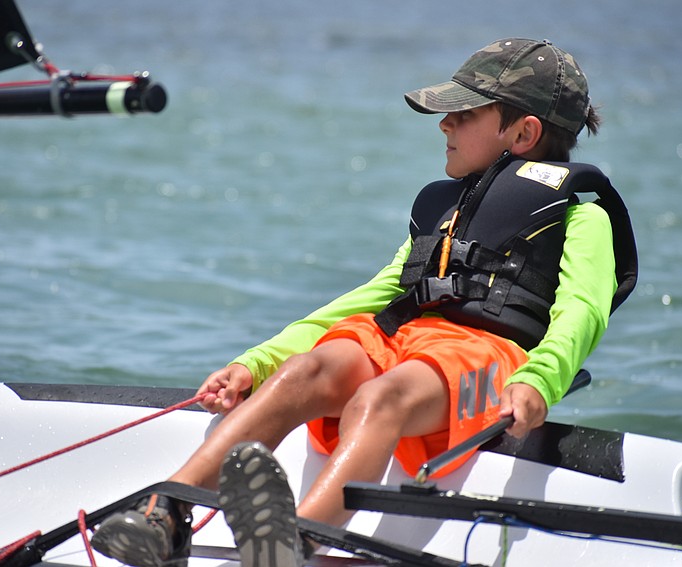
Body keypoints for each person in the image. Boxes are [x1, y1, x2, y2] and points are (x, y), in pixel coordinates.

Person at [90, 37, 636, 567]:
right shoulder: (445, 212)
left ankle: (295, 546)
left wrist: (540, 381)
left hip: (486, 358)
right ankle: (167, 513)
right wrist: (257, 363)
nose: (444, 124)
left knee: (379, 398)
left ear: (523, 132)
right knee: (304, 372)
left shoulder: (583, 218)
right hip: (407, 338)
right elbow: (366, 300)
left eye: (464, 114)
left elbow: (581, 313)